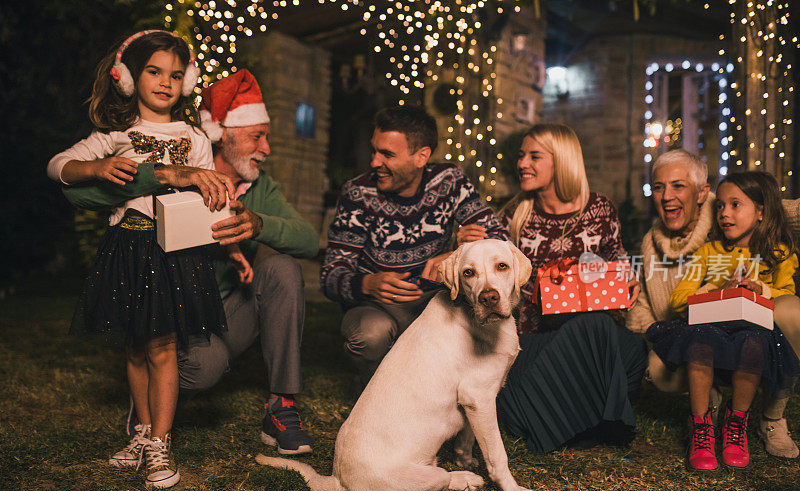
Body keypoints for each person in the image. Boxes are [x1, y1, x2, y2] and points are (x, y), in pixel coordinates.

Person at [55, 68, 320, 456]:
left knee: (283, 268)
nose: (266, 149)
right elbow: (79, 196)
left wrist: (258, 223)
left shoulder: (261, 185)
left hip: (231, 308)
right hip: (183, 318)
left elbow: (310, 241)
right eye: (256, 136)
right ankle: (147, 405)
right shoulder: (179, 163)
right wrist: (157, 177)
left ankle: (282, 406)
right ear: (222, 137)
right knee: (201, 368)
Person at [47, 30, 231, 488]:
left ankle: (161, 443)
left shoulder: (194, 137)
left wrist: (207, 186)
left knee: (164, 346)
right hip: (127, 248)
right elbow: (58, 165)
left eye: (175, 75)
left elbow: (210, 187)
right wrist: (96, 167)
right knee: (134, 344)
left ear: (187, 82)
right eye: (153, 71)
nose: (165, 82)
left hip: (176, 253)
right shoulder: (116, 134)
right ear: (128, 78)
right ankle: (143, 433)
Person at [459, 123, 647, 453]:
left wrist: (628, 279)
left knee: (599, 330)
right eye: (521, 156)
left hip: (592, 341)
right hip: (536, 338)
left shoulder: (599, 209)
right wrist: (466, 246)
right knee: (510, 378)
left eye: (534, 156)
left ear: (561, 161)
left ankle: (560, 417)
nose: (522, 164)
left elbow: (617, 264)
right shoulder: (514, 215)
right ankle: (587, 422)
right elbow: (489, 279)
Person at [628, 149, 800, 459]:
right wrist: (717, 288)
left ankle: (765, 419)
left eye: (678, 185)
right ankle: (704, 417)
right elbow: (675, 298)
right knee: (673, 358)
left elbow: (784, 285)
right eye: (658, 186)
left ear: (701, 192)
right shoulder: (706, 251)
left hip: (759, 332)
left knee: (771, 327)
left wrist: (760, 288)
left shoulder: (767, 240)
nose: (724, 213)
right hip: (708, 329)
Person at [320, 105, 507, 386]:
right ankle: (379, 393)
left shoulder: (450, 181)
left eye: (387, 154)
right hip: (377, 306)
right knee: (371, 335)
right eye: (374, 151)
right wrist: (368, 284)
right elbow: (331, 276)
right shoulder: (357, 193)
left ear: (421, 157)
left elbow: (501, 239)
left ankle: (452, 395)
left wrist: (455, 255)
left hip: (436, 304)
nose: (374, 162)